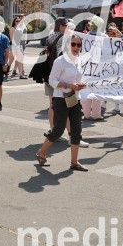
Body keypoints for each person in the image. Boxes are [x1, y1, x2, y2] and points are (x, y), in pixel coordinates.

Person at [35, 34, 89, 171]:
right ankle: (41, 153)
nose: (76, 47)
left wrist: (80, 85)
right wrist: (70, 85)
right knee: (58, 130)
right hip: (60, 99)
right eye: (73, 44)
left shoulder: (78, 61)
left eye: (78, 45)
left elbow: (76, 79)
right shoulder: (60, 61)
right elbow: (52, 81)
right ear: (67, 46)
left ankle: (74, 162)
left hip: (75, 99)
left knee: (77, 130)